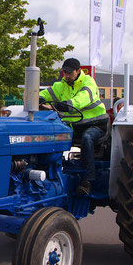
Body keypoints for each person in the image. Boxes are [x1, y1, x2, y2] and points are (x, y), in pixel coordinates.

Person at [39, 58, 108, 195]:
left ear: (78, 71)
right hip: (74, 126)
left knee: (87, 138)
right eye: (64, 72)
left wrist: (56, 105)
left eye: (70, 73)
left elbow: (78, 102)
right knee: (51, 134)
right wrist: (39, 100)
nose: (66, 75)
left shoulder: (89, 83)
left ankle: (87, 180)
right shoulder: (60, 85)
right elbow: (44, 94)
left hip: (96, 124)